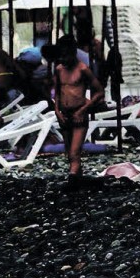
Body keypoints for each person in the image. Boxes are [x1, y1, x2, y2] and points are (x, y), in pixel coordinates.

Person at [50, 35, 101, 183]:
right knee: (69, 153)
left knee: (74, 153)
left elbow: (99, 92)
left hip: (79, 113)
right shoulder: (59, 69)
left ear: (73, 52)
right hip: (64, 114)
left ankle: (72, 179)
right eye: (61, 56)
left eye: (66, 56)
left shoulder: (83, 69)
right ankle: (78, 178)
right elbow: (57, 92)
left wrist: (83, 110)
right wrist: (57, 110)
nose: (63, 59)